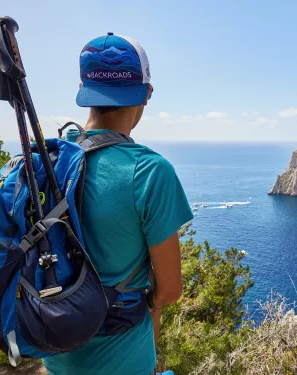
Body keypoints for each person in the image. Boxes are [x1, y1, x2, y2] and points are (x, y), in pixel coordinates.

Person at [42, 32, 193, 375]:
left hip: (54, 346)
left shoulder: (51, 158)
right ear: (147, 93)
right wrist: (151, 304)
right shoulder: (150, 171)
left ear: (85, 91)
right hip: (124, 358)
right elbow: (170, 290)